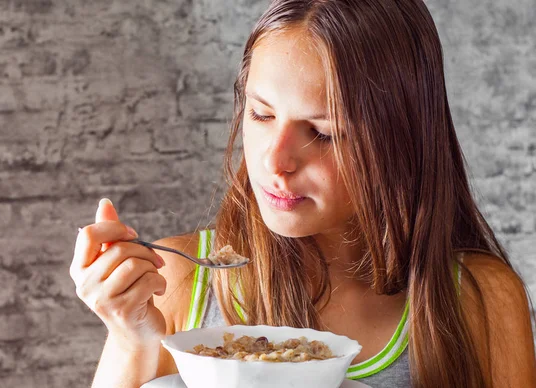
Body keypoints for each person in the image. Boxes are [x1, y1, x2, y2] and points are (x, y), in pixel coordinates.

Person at [69, 0, 536, 387]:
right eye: (262, 115)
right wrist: (133, 340)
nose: (275, 162)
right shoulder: (173, 282)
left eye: (323, 132)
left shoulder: (480, 301)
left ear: (400, 140)